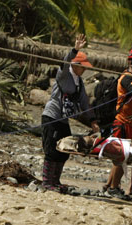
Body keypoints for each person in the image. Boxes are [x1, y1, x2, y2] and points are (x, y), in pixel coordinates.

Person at [41, 34, 99, 192]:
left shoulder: (79, 82)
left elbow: (85, 103)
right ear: (75, 64)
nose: (85, 69)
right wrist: (75, 49)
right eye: (82, 66)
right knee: (52, 149)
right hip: (52, 116)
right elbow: (65, 62)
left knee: (65, 149)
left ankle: (56, 180)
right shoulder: (64, 74)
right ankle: (46, 181)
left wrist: (93, 121)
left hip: (64, 120)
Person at [104, 46, 132, 200]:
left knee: (121, 156)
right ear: (131, 62)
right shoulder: (127, 78)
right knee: (121, 157)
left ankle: (109, 185)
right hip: (122, 122)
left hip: (130, 123)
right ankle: (114, 187)